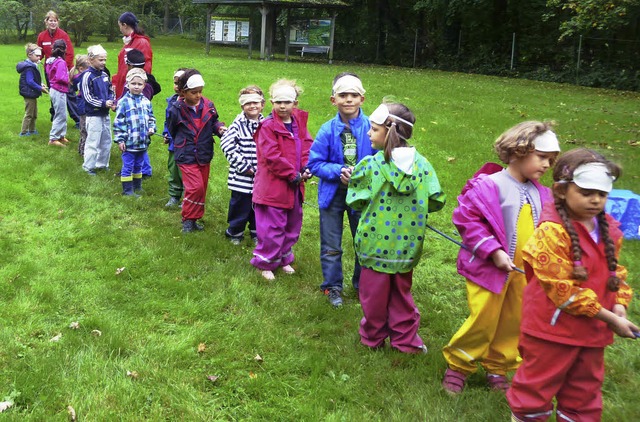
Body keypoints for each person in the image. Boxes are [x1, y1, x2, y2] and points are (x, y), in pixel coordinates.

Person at [507, 148, 637, 421]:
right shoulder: (550, 232)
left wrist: (619, 306)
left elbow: (615, 272)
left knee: (584, 394)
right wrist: (610, 318)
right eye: (586, 192)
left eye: (602, 194)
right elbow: (562, 289)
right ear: (562, 190)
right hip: (549, 332)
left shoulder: (609, 230)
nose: (595, 200)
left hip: (591, 332)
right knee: (535, 389)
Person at [441, 121, 561, 394]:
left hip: (525, 274)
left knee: (513, 320)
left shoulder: (545, 194)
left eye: (550, 160)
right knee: (483, 318)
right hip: (489, 269)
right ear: (519, 151)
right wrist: (492, 251)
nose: (546, 165)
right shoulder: (488, 186)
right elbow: (467, 220)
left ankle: (498, 366)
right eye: (541, 157)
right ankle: (459, 364)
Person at [346, 101, 445, 353]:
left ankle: (372, 339)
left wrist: (353, 181)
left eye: (374, 129)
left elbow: (355, 200)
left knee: (373, 297)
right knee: (402, 295)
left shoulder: (370, 166)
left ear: (389, 131)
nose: (369, 133)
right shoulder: (422, 165)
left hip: (374, 244)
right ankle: (404, 341)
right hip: (406, 246)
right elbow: (436, 199)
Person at [307, 72, 374, 307]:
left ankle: (362, 285)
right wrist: (339, 171)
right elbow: (314, 164)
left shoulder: (371, 129)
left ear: (362, 99)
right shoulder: (327, 130)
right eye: (342, 95)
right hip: (332, 195)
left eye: (353, 95)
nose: (348, 100)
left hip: (363, 195)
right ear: (333, 100)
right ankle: (332, 286)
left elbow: (381, 161)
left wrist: (362, 174)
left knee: (363, 240)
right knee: (331, 243)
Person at [250, 79, 313, 280]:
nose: (283, 106)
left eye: (287, 102)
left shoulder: (298, 123)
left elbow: (306, 146)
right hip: (273, 187)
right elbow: (271, 156)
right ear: (271, 102)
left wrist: (306, 167)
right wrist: (292, 174)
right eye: (278, 102)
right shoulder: (267, 126)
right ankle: (265, 262)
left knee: (293, 223)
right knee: (272, 226)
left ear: (295, 102)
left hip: (294, 186)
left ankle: (283, 257)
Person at [166, 69, 226, 233]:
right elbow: (172, 129)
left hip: (204, 152)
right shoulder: (176, 109)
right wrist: (182, 141)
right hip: (186, 153)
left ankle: (194, 219)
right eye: (194, 92)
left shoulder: (209, 105)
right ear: (183, 92)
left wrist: (220, 128)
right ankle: (186, 219)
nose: (198, 95)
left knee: (202, 188)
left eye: (200, 91)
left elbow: (214, 122)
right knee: (195, 188)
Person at [220, 85, 265, 245]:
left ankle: (256, 231)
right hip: (241, 179)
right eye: (248, 103)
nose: (252, 106)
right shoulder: (238, 125)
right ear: (242, 106)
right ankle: (234, 231)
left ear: (262, 104)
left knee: (258, 207)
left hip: (261, 179)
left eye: (256, 102)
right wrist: (243, 166)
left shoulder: (265, 124)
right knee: (240, 206)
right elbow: (227, 145)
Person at [113, 68, 156, 196]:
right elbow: (119, 122)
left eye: (139, 84)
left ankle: (137, 187)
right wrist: (120, 139)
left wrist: (152, 128)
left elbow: (151, 117)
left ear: (144, 85)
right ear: (127, 84)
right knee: (128, 166)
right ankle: (127, 190)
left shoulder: (146, 102)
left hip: (142, 142)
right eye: (133, 83)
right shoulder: (123, 102)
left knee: (139, 165)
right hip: (129, 143)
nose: (136, 87)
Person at [121, 48, 161, 179]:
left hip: (138, 120)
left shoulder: (139, 86)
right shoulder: (146, 81)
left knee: (138, 148)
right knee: (140, 147)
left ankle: (143, 171)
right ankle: (142, 170)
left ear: (129, 65)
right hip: (139, 120)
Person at [36, 10, 79, 128]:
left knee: (69, 93)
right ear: (46, 22)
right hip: (49, 70)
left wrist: (64, 67)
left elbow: (69, 53)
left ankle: (78, 119)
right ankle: (55, 116)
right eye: (50, 20)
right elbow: (40, 53)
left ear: (58, 22)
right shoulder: (42, 36)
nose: (53, 23)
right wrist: (36, 59)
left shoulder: (63, 35)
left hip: (63, 69)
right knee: (53, 93)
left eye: (55, 21)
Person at [81, 44, 116, 176]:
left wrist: (112, 101)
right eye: (100, 60)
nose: (103, 62)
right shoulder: (87, 76)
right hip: (94, 115)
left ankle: (102, 164)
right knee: (93, 141)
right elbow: (88, 97)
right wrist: (103, 103)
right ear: (91, 60)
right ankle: (88, 166)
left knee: (106, 140)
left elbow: (110, 89)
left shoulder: (104, 74)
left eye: (105, 60)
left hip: (105, 114)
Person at [113, 12, 153, 100]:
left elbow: (145, 68)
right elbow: (121, 68)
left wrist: (136, 85)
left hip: (133, 90)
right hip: (124, 86)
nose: (120, 29)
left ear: (125, 25)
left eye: (120, 25)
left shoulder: (142, 43)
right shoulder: (128, 42)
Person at [162, 69, 186, 208]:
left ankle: (186, 198)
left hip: (186, 145)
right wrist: (166, 133)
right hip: (173, 145)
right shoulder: (171, 101)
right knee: (173, 171)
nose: (177, 86)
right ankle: (174, 195)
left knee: (185, 172)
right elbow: (168, 121)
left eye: (180, 83)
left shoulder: (190, 102)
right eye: (175, 83)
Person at [17, 43, 48, 137]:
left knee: (34, 113)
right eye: (37, 55)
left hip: (32, 93)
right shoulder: (29, 67)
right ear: (30, 55)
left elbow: (33, 80)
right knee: (29, 114)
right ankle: (24, 132)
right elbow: (30, 81)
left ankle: (32, 130)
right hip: (29, 93)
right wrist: (40, 88)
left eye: (40, 56)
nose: (39, 58)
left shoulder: (32, 66)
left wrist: (40, 84)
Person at [45, 39, 69, 147]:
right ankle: (53, 138)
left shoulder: (50, 60)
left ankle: (61, 135)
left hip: (53, 89)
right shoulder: (61, 62)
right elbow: (60, 77)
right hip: (59, 90)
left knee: (62, 113)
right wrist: (69, 79)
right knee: (60, 114)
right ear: (64, 50)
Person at [70, 55, 89, 156]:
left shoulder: (76, 77)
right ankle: (83, 150)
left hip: (82, 103)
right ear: (81, 69)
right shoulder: (81, 77)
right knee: (84, 128)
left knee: (84, 127)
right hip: (83, 103)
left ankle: (82, 149)